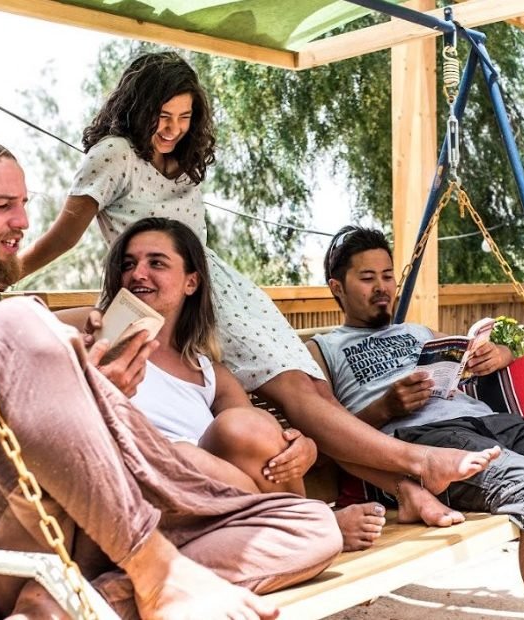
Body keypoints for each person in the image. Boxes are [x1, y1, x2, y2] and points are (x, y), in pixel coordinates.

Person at [0, 131, 342, 619]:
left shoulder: (20, 311)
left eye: (24, 204)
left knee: (311, 527)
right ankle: (158, 571)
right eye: (3, 205)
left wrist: (95, 400)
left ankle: (67, 602)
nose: (23, 222)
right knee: (19, 319)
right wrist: (75, 409)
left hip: (103, 514)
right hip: (17, 510)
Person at [17, 51, 498, 512]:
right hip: (166, 293)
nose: (172, 128)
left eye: (184, 117)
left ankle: (406, 490)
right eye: (162, 115)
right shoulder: (114, 154)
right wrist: (6, 276)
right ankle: (418, 463)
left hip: (219, 287)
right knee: (295, 392)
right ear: (136, 108)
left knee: (315, 394)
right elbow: (65, 235)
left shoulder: (185, 161)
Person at [308, 226, 524, 620]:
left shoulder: (417, 332)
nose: (382, 287)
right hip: (422, 445)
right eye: (367, 278)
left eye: (388, 276)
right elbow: (327, 432)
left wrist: (497, 353)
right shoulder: (322, 348)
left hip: (490, 423)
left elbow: (473, 354)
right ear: (337, 287)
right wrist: (384, 408)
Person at [86, 216, 388, 550]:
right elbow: (28, 326)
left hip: (218, 502)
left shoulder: (207, 370)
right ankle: (312, 526)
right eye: (128, 264)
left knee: (241, 427)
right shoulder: (97, 331)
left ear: (191, 282)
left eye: (156, 262)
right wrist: (92, 335)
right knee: (187, 455)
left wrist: (300, 446)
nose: (138, 273)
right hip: (142, 491)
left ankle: (300, 530)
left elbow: (257, 435)